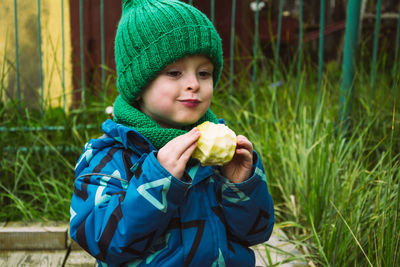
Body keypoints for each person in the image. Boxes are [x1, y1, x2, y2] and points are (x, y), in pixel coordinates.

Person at [69, 0, 274, 266]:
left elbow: (256, 232)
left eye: (204, 73)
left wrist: (240, 185)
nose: (193, 84)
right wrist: (158, 179)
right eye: (174, 72)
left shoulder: (221, 155)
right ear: (139, 85)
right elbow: (103, 242)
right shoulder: (110, 156)